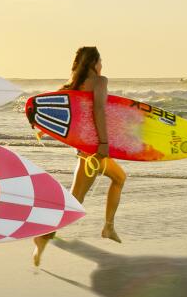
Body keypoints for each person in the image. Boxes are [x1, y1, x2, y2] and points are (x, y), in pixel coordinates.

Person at [33, 45, 126, 265]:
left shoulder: (71, 85)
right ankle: (42, 236)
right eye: (100, 60)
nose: (102, 65)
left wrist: (41, 123)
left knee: (119, 178)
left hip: (84, 147)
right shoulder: (100, 81)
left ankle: (108, 227)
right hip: (94, 148)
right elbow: (99, 110)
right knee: (76, 200)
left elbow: (53, 107)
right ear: (94, 62)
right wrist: (104, 142)